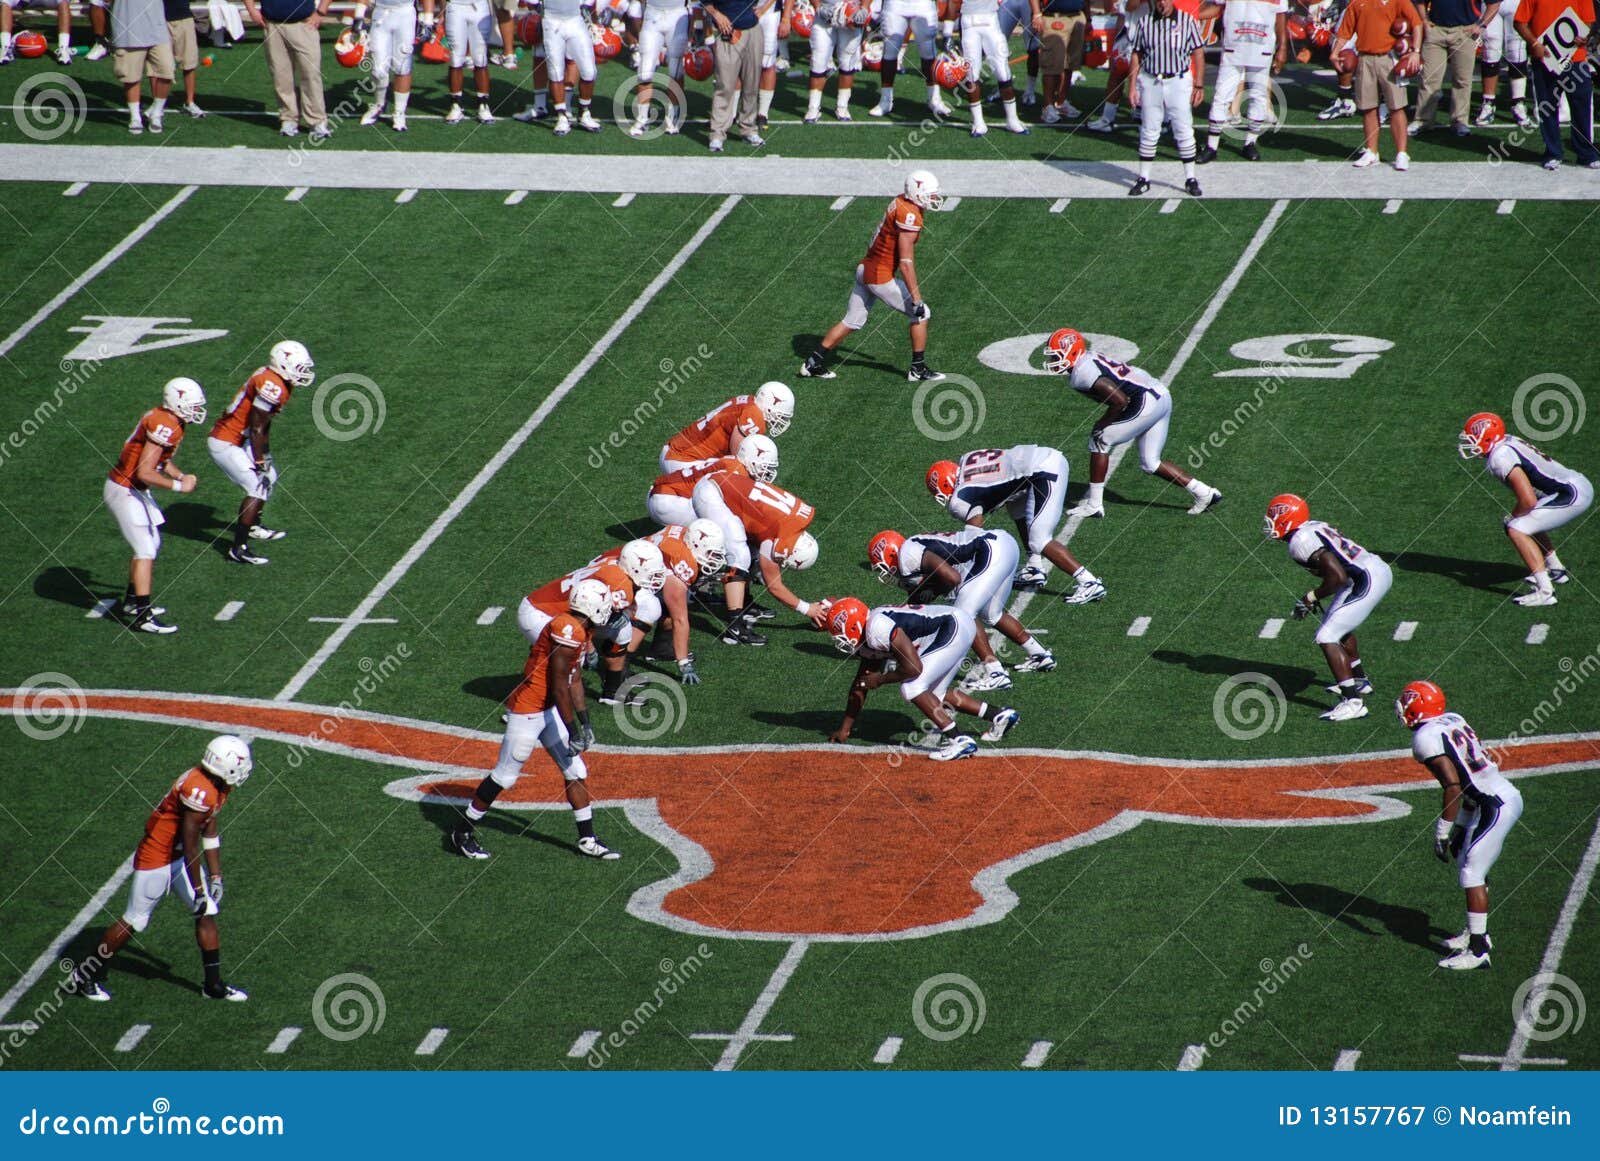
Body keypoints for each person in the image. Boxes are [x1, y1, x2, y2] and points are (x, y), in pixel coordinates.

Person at [450, 579, 623, 860]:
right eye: (605, 605)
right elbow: (558, 685)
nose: (610, 610)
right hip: (529, 709)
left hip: (550, 708)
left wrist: (586, 722)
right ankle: (462, 831)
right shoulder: (565, 629)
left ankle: (587, 838)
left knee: (576, 771)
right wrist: (572, 729)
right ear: (592, 607)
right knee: (505, 776)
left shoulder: (582, 629)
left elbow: (575, 678)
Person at [76, 736, 254, 1002]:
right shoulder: (199, 790)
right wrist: (199, 890)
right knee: (135, 920)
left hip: (179, 856)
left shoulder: (216, 786)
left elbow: (211, 829)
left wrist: (216, 876)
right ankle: (84, 976)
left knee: (207, 914)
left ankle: (213, 985)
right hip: (158, 857)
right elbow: (192, 844)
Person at [1395, 681, 1523, 971]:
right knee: (1467, 858)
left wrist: (1442, 832)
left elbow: (1453, 786)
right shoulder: (1453, 719)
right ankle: (1476, 933)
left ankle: (1479, 952)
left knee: (1471, 871)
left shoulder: (1425, 739)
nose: (1403, 705)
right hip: (1492, 797)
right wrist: (1462, 828)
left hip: (1495, 804)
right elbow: (1467, 783)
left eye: (1408, 700)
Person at [1045, 329, 1223, 516]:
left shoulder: (1083, 372)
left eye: (1056, 355)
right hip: (1160, 394)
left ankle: (1094, 505)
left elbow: (1120, 400)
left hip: (1146, 401)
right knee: (1150, 463)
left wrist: (1103, 422)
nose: (1052, 361)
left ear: (1072, 352)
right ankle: (1205, 493)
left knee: (1099, 440)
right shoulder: (1087, 360)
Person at [826, 599, 1019, 761]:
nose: (839, 639)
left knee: (912, 687)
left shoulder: (876, 629)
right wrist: (845, 729)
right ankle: (998, 715)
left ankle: (959, 740)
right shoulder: (870, 635)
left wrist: (881, 680)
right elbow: (861, 683)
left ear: (853, 625)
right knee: (934, 695)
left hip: (952, 626)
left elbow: (913, 667)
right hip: (955, 626)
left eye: (839, 632)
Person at [868, 526, 1056, 690]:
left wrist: (933, 590)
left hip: (989, 551)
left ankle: (995, 673)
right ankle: (1039, 654)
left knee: (963, 615)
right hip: (1004, 545)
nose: (884, 571)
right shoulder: (913, 548)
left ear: (891, 553)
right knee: (992, 614)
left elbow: (952, 578)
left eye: (882, 565)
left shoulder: (906, 554)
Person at [801, 170, 945, 383]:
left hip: (866, 268)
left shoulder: (900, 201)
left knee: (853, 320)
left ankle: (812, 363)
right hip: (879, 276)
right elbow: (906, 264)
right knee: (922, 314)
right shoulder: (910, 214)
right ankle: (917, 369)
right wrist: (916, 298)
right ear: (916, 193)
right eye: (929, 194)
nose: (933, 198)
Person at [1264, 493, 1392, 722]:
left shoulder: (1300, 542)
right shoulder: (1310, 528)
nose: (1270, 520)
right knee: (1336, 627)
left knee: (1326, 636)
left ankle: (1353, 702)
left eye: (1274, 515)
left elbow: (1338, 577)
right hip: (1369, 570)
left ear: (1287, 518)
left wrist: (1310, 597)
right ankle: (1360, 682)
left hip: (1366, 579)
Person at [926, 445, 1108, 604]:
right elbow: (999, 484)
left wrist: (964, 574)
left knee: (1040, 540)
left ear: (945, 484)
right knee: (1015, 506)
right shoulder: (966, 458)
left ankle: (1089, 582)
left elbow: (974, 536)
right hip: (1037, 464)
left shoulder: (960, 498)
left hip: (1044, 470)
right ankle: (1034, 567)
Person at [104, 378, 205, 634]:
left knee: (152, 544)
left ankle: (131, 602)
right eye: (191, 405)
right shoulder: (165, 424)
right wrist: (179, 487)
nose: (196, 411)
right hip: (125, 488)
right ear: (177, 404)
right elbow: (146, 471)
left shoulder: (168, 420)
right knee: (145, 550)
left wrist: (180, 475)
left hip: (133, 488)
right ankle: (142, 616)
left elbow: (161, 459)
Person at [1459, 412, 1592, 606]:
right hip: (1572, 487)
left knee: (1516, 528)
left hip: (1571, 494)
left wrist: (1511, 518)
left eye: (1473, 437)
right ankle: (1556, 570)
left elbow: (1528, 500)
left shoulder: (1500, 457)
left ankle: (1545, 591)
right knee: (1527, 520)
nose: (1470, 443)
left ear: (1487, 436)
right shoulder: (1507, 442)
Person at [208, 340, 314, 565]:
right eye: (299, 367)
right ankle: (238, 548)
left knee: (270, 477)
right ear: (284, 365)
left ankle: (253, 525)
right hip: (226, 441)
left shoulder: (275, 379)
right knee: (256, 486)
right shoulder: (271, 385)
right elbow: (257, 427)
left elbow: (262, 425)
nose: (303, 373)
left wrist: (264, 457)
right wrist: (260, 459)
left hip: (241, 437)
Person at [690, 472, 826, 643]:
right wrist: (807, 609)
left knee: (753, 552)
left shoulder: (794, 521)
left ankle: (743, 604)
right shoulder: (777, 531)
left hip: (724, 484)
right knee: (740, 556)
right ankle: (734, 630)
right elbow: (774, 586)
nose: (781, 562)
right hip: (712, 492)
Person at [1124, 0, 1207, 196]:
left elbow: (1198, 52)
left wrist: (1199, 84)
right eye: (1159, 0)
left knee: (1183, 128)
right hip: (1151, 79)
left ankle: (1190, 178)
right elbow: (1136, 54)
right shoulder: (1144, 22)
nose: (1162, 3)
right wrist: (1132, 87)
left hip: (1177, 80)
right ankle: (1144, 178)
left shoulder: (1187, 21)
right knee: (1149, 129)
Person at [1197, 0, 1287, 161]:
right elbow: (1217, 8)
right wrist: (1191, 14)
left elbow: (1280, 16)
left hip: (1262, 48)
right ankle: (1211, 146)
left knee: (1259, 96)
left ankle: (1250, 143)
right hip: (1233, 48)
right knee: (1221, 94)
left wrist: (1283, 47)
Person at [1337, 0, 1422, 169]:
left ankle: (1402, 153)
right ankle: (1371, 151)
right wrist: (1334, 52)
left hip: (1390, 58)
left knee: (1396, 106)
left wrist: (1416, 52)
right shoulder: (1356, 3)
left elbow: (1417, 24)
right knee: (1368, 107)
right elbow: (1345, 32)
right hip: (1364, 57)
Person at [1515, 0, 1598, 170]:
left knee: (1581, 107)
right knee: (1548, 108)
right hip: (1545, 60)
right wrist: (1534, 43)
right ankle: (1552, 153)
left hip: (1576, 60)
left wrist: (1584, 36)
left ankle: (1586, 154)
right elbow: (1519, 22)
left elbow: (1588, 20)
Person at [242, 0, 332, 139]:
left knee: (310, 74)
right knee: (280, 76)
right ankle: (288, 118)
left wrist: (321, 11)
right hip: (272, 24)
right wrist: (251, 9)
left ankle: (317, 121)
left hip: (303, 24)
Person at [658, 382, 792, 470]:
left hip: (677, 452)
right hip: (684, 459)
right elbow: (739, 457)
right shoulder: (754, 415)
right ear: (770, 404)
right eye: (780, 414)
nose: (781, 419)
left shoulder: (749, 401)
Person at [1413, 0, 1495, 136]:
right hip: (1436, 29)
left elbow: (1494, 4)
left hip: (1464, 30)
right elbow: (1419, 1)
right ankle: (1423, 120)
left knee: (1462, 79)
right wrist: (1424, 20)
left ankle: (1459, 121)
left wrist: (1481, 25)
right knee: (1429, 77)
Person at [951, 0, 1031, 134]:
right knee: (972, 74)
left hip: (990, 18)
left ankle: (1012, 120)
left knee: (1003, 72)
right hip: (969, 21)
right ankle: (978, 122)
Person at [704, 0, 766, 149]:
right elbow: (705, 2)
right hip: (728, 32)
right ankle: (718, 133)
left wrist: (764, 8)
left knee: (752, 84)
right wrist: (716, 14)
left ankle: (749, 128)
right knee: (725, 85)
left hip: (753, 29)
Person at [871, 0, 949, 119]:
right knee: (890, 51)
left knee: (928, 52)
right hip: (895, 4)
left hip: (923, 4)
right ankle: (885, 101)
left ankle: (934, 98)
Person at [360, 0, 430, 130]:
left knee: (402, 66)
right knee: (378, 69)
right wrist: (359, 16)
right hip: (381, 13)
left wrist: (428, 20)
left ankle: (399, 111)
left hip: (405, 14)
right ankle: (379, 104)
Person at [110, 0, 175, 134]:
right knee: (130, 76)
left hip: (157, 28)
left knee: (167, 70)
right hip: (127, 26)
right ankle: (135, 117)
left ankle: (156, 113)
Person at [541, 0, 604, 134]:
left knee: (589, 72)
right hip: (552, 22)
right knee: (556, 72)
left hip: (575, 20)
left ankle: (584, 112)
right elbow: (531, 3)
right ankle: (562, 115)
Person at [632, 0, 692, 134]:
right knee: (644, 71)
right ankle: (642, 118)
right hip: (652, 14)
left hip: (677, 16)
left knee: (675, 70)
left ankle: (672, 116)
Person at [804, 0, 867, 121]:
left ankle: (842, 106)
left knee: (847, 62)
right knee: (818, 60)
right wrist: (817, 6)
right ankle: (813, 108)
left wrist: (864, 8)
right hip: (825, 14)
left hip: (851, 13)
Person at [1476, 0, 1532, 126]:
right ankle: (1488, 102)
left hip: (1516, 3)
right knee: (1490, 51)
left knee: (1516, 51)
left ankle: (1518, 102)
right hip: (1490, 3)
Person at [1033, 0, 1089, 122]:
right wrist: (1036, 13)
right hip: (1054, 17)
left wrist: (1088, 18)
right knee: (1052, 64)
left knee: (1070, 63)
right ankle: (1048, 107)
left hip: (1078, 16)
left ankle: (1061, 102)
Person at [445, 0, 496, 122]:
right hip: (455, 6)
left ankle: (483, 104)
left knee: (480, 57)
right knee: (456, 57)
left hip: (479, 7)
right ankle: (455, 104)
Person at [165, 0, 208, 117]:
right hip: (158, 19)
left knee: (189, 62)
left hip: (183, 16)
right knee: (159, 65)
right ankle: (157, 104)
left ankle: (190, 102)